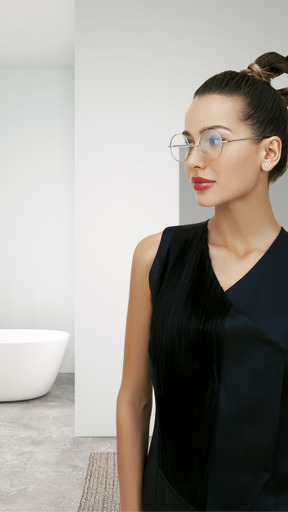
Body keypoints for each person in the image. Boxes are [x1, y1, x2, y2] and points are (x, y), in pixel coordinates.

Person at [116, 51, 288, 511]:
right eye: (189, 142)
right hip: (168, 495)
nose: (194, 159)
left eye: (214, 140)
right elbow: (134, 400)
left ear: (268, 152)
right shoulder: (156, 257)